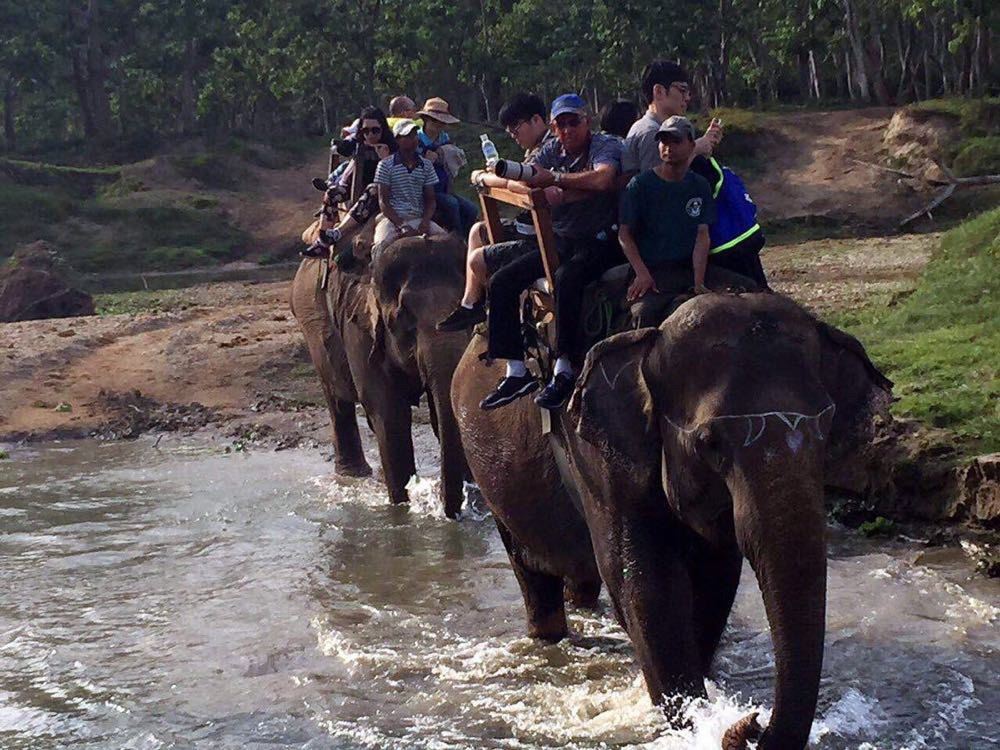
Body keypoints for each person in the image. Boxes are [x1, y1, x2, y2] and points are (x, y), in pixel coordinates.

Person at [477, 93, 623, 411]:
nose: (568, 130)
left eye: (575, 122)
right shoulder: (549, 149)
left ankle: (564, 366)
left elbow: (603, 177)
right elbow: (520, 180)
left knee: (566, 277)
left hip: (601, 239)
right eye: (562, 124)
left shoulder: (604, 144)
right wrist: (537, 184)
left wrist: (556, 180)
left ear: (587, 122)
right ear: (553, 128)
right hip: (562, 238)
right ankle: (516, 370)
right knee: (502, 280)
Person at [436, 92, 555, 332]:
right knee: (478, 231)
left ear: (536, 121)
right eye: (509, 130)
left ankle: (503, 314)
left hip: (543, 234)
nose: (513, 134)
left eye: (515, 127)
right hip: (530, 226)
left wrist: (488, 178)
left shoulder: (549, 148)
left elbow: (525, 184)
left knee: (477, 259)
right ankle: (471, 304)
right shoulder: (536, 149)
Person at [618, 116, 716, 323]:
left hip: (686, 268)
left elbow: (702, 235)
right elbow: (625, 235)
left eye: (676, 141)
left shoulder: (699, 185)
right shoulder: (640, 185)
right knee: (643, 315)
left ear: (691, 145)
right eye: (664, 141)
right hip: (654, 270)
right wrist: (642, 274)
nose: (668, 147)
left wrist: (698, 282)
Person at [303, 106, 397, 263]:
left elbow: (396, 177)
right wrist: (345, 145)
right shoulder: (359, 143)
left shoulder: (392, 147)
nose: (370, 135)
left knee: (373, 189)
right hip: (356, 188)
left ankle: (339, 232)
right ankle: (323, 241)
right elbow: (344, 148)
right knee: (332, 192)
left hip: (382, 193)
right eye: (366, 131)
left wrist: (385, 159)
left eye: (375, 130)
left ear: (383, 129)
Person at [622, 60, 722, 181]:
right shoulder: (651, 133)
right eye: (682, 90)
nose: (687, 98)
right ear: (659, 91)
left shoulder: (650, 127)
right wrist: (695, 149)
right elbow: (658, 188)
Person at [688, 155, 769, 289]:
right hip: (746, 233)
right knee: (758, 288)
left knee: (745, 293)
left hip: (725, 244)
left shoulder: (699, 167)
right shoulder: (715, 165)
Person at [371, 118, 448, 256]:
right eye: (407, 136)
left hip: (418, 219)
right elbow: (384, 202)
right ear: (397, 140)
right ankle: (375, 277)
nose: (412, 139)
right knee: (379, 250)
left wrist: (425, 222)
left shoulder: (426, 165)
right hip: (393, 221)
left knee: (448, 244)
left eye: (414, 135)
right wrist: (401, 224)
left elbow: (431, 200)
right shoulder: (385, 165)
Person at [416, 97, 478, 235]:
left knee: (472, 209)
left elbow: (451, 163)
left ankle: (469, 239)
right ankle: (457, 240)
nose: (439, 124)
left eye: (442, 121)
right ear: (426, 119)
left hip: (444, 188)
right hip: (426, 192)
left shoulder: (444, 138)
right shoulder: (416, 139)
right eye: (434, 120)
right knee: (452, 205)